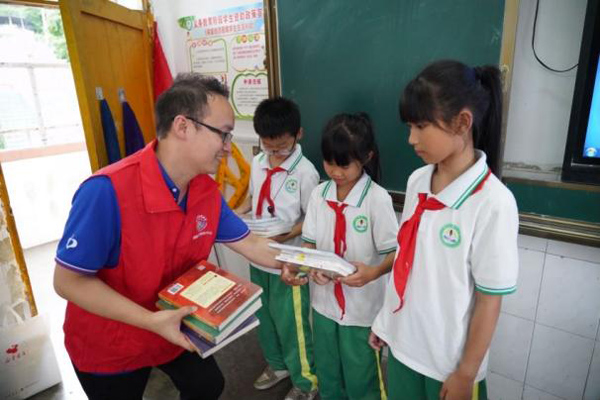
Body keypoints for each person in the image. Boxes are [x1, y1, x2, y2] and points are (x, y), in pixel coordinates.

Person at [53, 73, 281, 400]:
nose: (229, 148)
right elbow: (68, 282)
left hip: (172, 327)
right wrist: (151, 320)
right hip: (111, 344)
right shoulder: (106, 191)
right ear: (183, 126)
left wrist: (299, 264)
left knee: (208, 385)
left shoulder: (204, 189)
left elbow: (251, 243)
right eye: (225, 135)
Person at [370, 60, 519, 400]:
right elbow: (408, 260)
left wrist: (466, 372)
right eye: (409, 126)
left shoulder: (493, 202)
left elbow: (488, 301)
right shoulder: (417, 181)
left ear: (462, 122)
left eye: (421, 126)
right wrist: (386, 323)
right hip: (405, 348)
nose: (411, 139)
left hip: (449, 367)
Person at [282, 113, 398, 400]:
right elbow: (308, 242)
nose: (335, 171)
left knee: (362, 380)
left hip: (361, 311)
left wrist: (373, 272)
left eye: (343, 164)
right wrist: (301, 266)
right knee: (328, 374)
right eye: (329, 162)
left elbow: (395, 253)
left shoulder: (377, 199)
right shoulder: (319, 195)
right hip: (323, 305)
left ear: (367, 156)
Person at [235, 97, 319, 400]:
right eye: (268, 145)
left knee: (292, 324)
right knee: (264, 317)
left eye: (281, 146)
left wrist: (287, 236)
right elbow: (253, 198)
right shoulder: (258, 162)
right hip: (258, 254)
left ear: (299, 134)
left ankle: (306, 381)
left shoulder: (305, 172)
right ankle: (277, 365)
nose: (274, 152)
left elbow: (313, 219)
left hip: (288, 260)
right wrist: (238, 216)